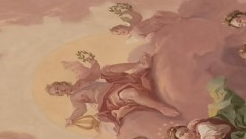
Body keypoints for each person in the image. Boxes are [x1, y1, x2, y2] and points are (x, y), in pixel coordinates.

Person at [46, 51, 178, 131]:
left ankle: (139, 64)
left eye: (57, 88)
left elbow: (95, 73)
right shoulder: (74, 98)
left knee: (106, 70)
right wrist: (72, 118)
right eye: (57, 93)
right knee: (131, 93)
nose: (60, 91)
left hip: (113, 85)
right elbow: (80, 109)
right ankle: (161, 108)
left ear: (60, 84)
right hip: (108, 98)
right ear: (60, 95)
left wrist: (93, 62)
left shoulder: (81, 82)